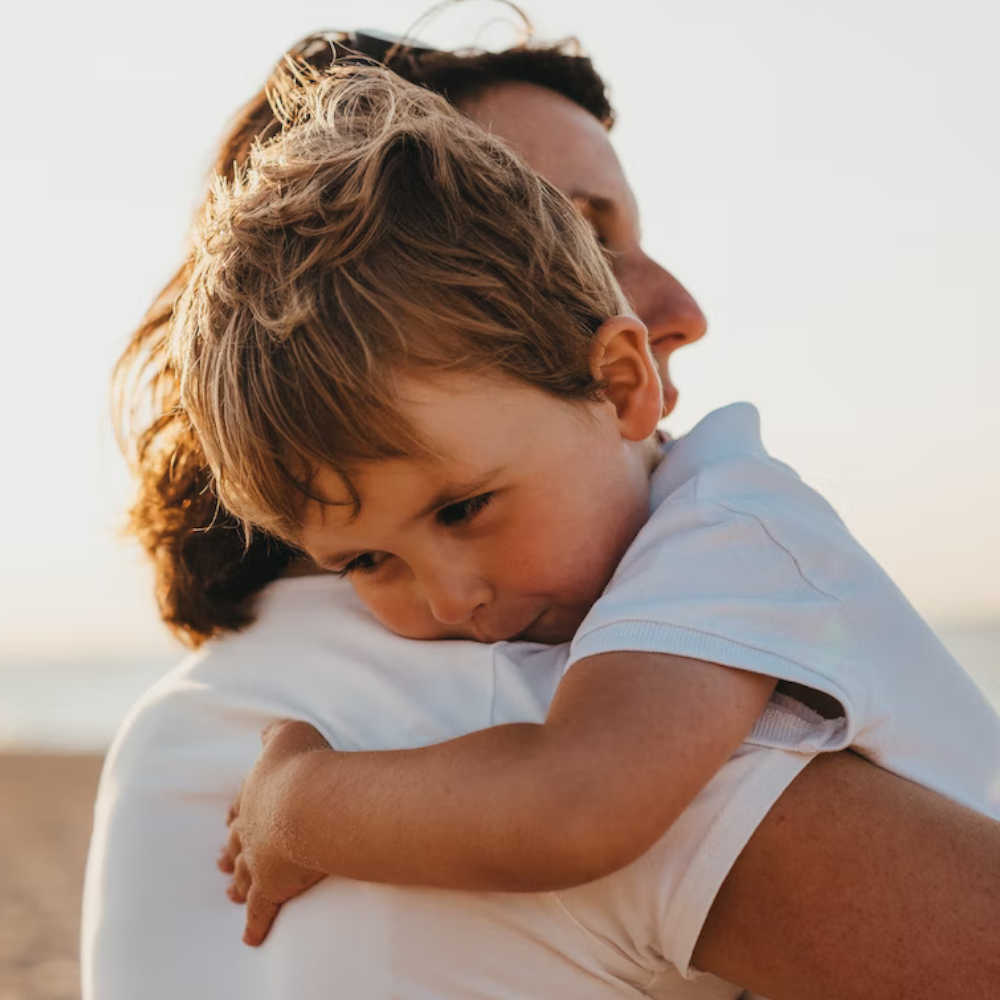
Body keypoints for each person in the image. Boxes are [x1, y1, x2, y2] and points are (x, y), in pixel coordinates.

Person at [84, 27, 1000, 1000]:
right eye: (574, 227)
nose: (449, 599)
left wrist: (300, 802)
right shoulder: (516, 697)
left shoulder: (179, 733)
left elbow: (574, 794)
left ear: (616, 384)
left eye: (467, 506)